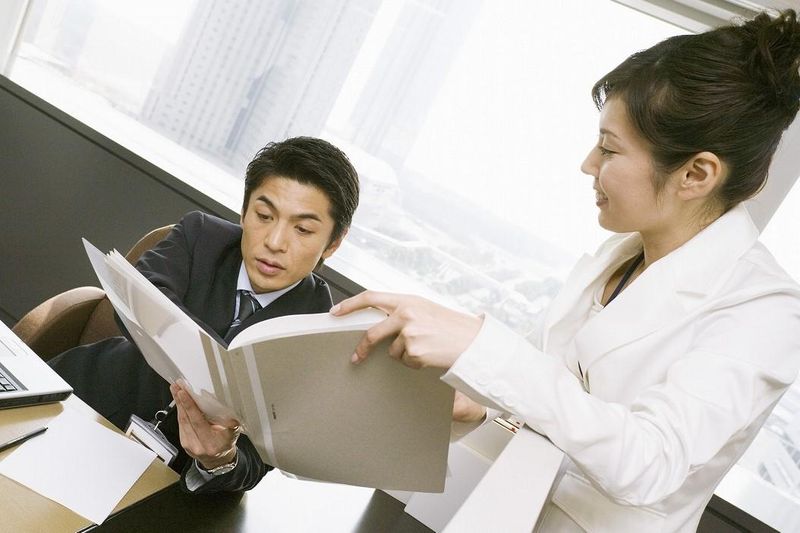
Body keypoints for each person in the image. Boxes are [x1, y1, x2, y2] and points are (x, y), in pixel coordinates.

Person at [332, 10, 800, 532]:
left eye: (609, 149)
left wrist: (480, 348)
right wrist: (484, 408)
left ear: (696, 173)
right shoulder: (622, 254)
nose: (588, 164)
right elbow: (548, 398)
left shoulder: (766, 310)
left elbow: (650, 462)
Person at [49, 136, 360, 494]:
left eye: (302, 229)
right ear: (244, 211)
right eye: (263, 216)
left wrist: (220, 458)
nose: (274, 242)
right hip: (86, 397)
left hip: (168, 484)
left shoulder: (318, 333)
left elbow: (258, 460)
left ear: (334, 242)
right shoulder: (202, 235)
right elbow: (135, 295)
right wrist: (222, 373)